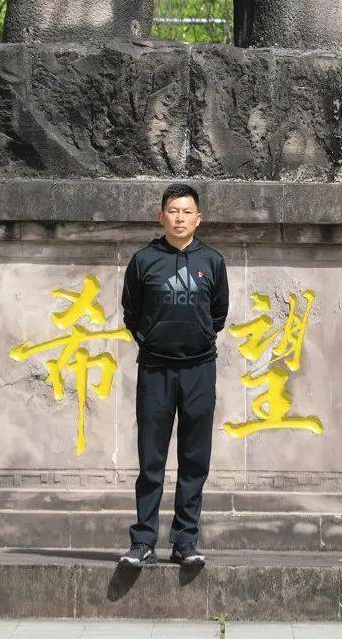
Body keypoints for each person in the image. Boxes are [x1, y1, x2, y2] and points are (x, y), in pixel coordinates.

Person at [118, 182, 229, 567]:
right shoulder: (143, 260)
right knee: (151, 460)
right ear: (161, 215)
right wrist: (151, 339)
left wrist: (196, 336)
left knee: (194, 458)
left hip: (199, 369)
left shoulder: (212, 261)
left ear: (199, 218)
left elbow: (219, 313)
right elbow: (131, 312)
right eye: (173, 211)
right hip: (156, 370)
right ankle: (143, 540)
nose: (179, 218)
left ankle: (185, 541)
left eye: (187, 212)